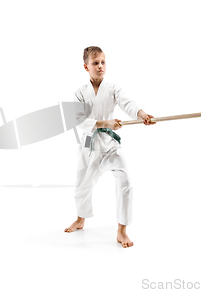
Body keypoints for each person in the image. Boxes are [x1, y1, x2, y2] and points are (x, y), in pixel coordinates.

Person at [64, 46, 155, 248]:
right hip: (89, 144)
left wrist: (142, 115)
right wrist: (106, 123)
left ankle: (122, 230)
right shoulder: (80, 93)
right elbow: (80, 120)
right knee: (83, 185)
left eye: (103, 62)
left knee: (126, 181)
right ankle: (81, 219)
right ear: (86, 66)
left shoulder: (113, 88)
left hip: (110, 144)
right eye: (95, 63)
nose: (100, 66)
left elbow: (128, 103)